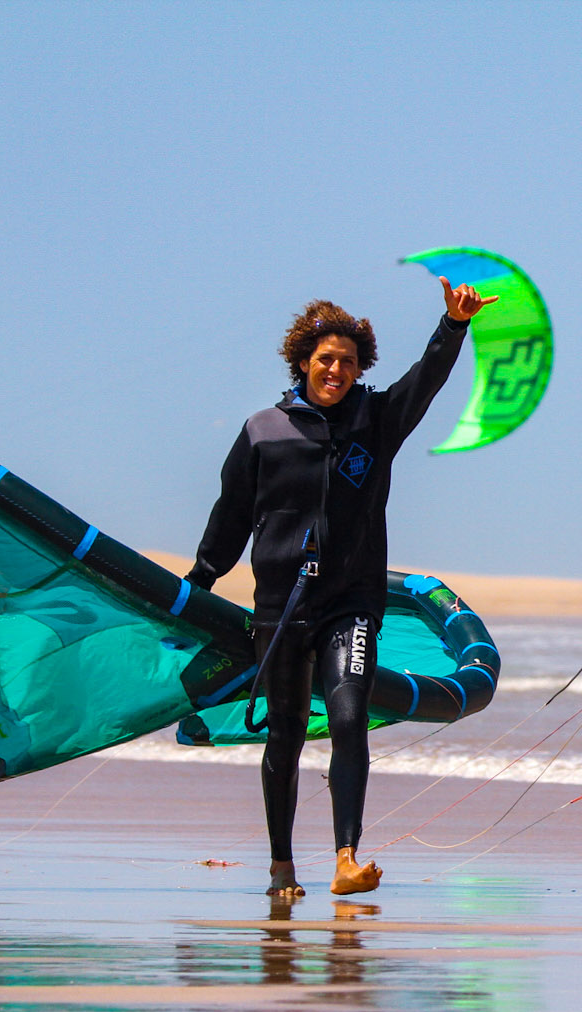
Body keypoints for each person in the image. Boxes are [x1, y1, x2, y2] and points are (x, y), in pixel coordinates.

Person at [189, 281, 493, 899]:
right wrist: (197, 582)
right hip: (280, 607)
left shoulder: (375, 422)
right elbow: (230, 516)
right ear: (302, 361)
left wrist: (452, 326)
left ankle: (347, 857)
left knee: (350, 716)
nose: (337, 370)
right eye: (326, 359)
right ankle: (281, 866)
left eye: (349, 362)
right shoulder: (263, 431)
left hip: (350, 603)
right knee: (286, 735)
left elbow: (425, 380)